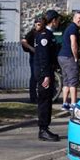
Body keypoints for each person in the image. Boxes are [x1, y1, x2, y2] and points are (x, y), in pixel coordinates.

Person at [34, 9, 61, 142]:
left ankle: (45, 127)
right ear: (54, 20)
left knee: (47, 99)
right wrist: (46, 75)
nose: (58, 23)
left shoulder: (46, 34)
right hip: (44, 72)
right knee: (44, 100)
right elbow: (44, 57)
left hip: (46, 71)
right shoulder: (45, 35)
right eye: (57, 20)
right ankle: (43, 129)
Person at [58, 11, 80, 111]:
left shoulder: (69, 27)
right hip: (69, 57)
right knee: (73, 81)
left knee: (66, 81)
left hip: (61, 56)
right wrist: (76, 57)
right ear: (74, 18)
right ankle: (73, 104)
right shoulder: (73, 28)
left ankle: (65, 103)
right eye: (79, 18)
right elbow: (73, 43)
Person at [21, 16, 44, 103]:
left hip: (42, 57)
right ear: (35, 24)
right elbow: (23, 41)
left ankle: (42, 96)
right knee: (34, 77)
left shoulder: (44, 33)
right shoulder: (32, 33)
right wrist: (32, 49)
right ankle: (33, 97)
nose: (40, 26)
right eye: (38, 24)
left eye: (41, 24)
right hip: (34, 57)